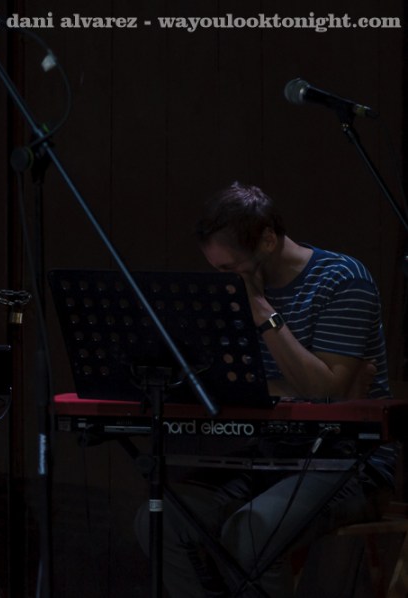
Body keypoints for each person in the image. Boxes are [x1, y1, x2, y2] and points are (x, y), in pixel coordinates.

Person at [135, 181, 396, 597]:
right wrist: (292, 385)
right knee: (161, 518)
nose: (224, 280)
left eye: (231, 268)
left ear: (268, 240)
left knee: (253, 531)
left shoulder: (342, 279)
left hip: (347, 460)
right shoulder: (236, 285)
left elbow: (324, 393)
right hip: (269, 455)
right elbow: (232, 383)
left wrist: (261, 310)